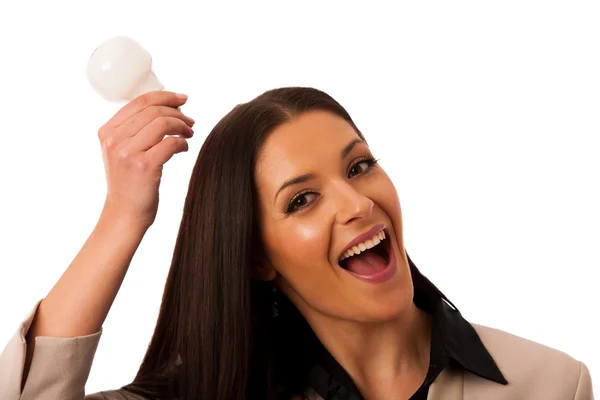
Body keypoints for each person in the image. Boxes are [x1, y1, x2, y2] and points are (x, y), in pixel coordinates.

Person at [0, 87, 594, 400]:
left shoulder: (550, 383)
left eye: (359, 167)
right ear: (257, 257)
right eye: (302, 199)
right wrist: (123, 216)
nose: (358, 203)